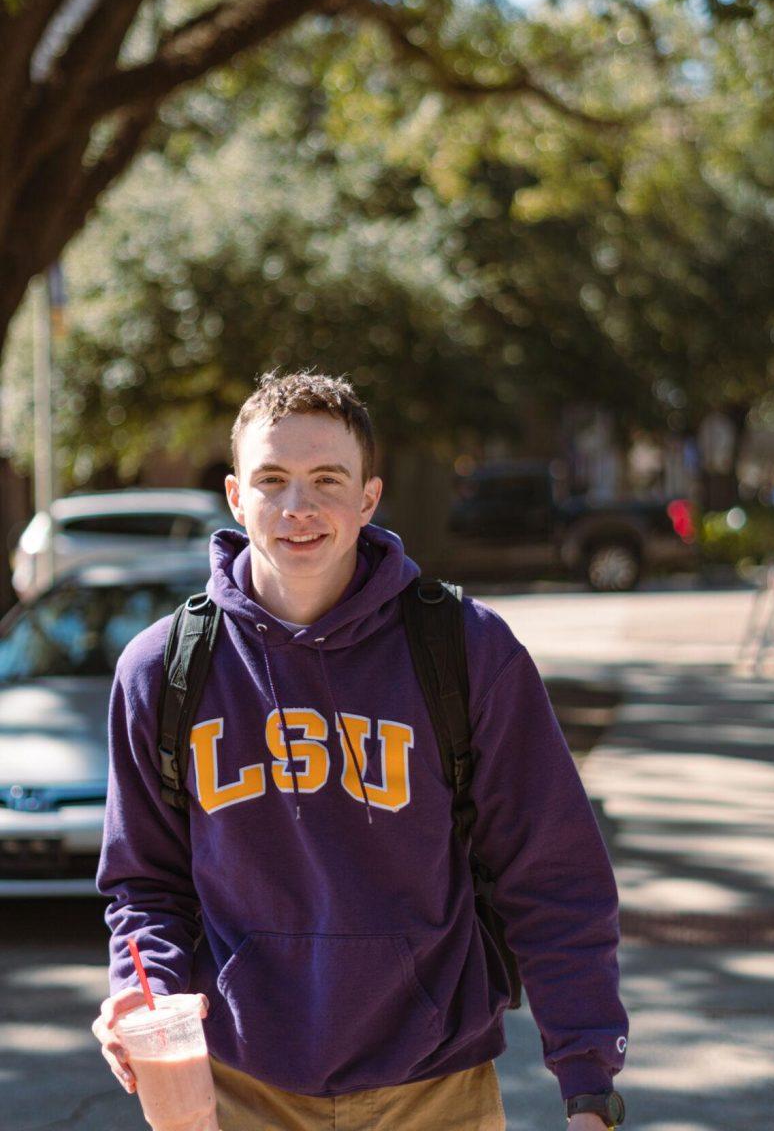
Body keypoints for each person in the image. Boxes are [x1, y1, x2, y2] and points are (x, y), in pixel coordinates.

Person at [93, 370, 628, 1130]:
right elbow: (144, 887)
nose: (298, 507)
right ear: (235, 497)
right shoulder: (164, 668)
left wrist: (588, 1082)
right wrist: (142, 997)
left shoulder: (465, 650)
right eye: (271, 480)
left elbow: (552, 875)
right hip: (238, 1087)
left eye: (326, 480)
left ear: (369, 498)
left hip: (435, 1087)